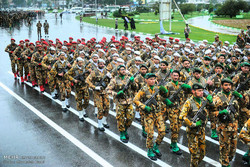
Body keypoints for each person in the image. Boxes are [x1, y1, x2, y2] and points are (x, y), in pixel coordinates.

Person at [134, 73, 170, 161]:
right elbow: (135, 100)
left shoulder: (158, 88)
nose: (152, 81)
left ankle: (156, 146)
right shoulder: (143, 90)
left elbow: (165, 96)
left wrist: (164, 90)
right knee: (150, 133)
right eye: (150, 79)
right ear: (146, 80)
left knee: (162, 131)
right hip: (148, 114)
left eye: (154, 79)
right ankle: (150, 150)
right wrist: (144, 107)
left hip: (158, 113)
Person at [180, 83, 213, 167]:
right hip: (192, 132)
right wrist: (193, 123)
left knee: (202, 153)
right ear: (193, 91)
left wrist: (211, 101)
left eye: (202, 90)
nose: (202, 92)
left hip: (201, 131)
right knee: (195, 155)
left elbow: (213, 107)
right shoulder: (189, 102)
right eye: (199, 91)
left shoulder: (203, 100)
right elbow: (182, 117)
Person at [213, 78, 244, 167]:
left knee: (233, 149)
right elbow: (211, 111)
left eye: (229, 85)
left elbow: (244, 105)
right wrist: (220, 112)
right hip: (224, 127)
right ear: (222, 86)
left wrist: (241, 97)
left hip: (234, 126)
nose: (228, 87)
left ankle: (227, 161)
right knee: (224, 148)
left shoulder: (234, 95)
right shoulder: (219, 96)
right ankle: (224, 164)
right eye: (226, 85)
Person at [106, 65, 137, 143]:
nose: (123, 71)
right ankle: (122, 133)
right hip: (120, 102)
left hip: (129, 101)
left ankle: (125, 129)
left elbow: (135, 88)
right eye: (121, 70)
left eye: (124, 69)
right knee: (120, 118)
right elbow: (107, 90)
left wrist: (133, 81)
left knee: (130, 117)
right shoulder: (114, 80)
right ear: (118, 71)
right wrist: (116, 93)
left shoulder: (128, 79)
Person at [86, 59, 112, 131]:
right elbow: (87, 80)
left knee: (107, 107)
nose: (102, 65)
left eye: (103, 64)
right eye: (101, 64)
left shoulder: (106, 71)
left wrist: (110, 78)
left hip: (105, 91)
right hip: (97, 93)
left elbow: (111, 82)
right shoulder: (94, 72)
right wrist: (94, 87)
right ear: (97, 64)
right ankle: (100, 124)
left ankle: (104, 121)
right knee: (100, 108)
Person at [66, 57, 90, 121]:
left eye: (82, 62)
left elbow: (90, 75)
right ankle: (80, 115)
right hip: (78, 87)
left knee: (86, 100)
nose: (81, 64)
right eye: (79, 63)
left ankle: (84, 111)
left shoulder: (85, 68)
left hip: (85, 86)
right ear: (77, 62)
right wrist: (73, 80)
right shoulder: (74, 68)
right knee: (79, 101)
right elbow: (67, 75)